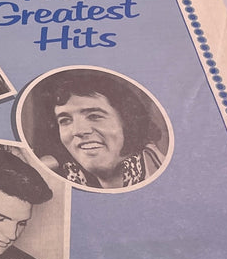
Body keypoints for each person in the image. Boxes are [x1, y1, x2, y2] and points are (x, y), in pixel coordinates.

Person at [28, 68, 165, 189]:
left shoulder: (157, 170)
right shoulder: (70, 174)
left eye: (94, 116)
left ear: (128, 121)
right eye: (65, 120)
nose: (78, 131)